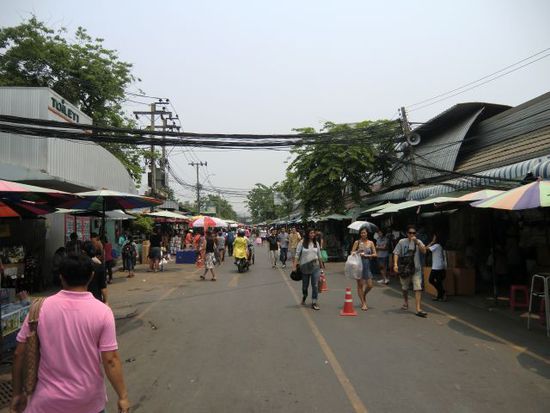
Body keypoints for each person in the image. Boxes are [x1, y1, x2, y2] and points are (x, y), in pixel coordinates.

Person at [10, 254, 130, 413]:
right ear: (91, 276)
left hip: (47, 402)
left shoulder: (38, 309)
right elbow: (111, 360)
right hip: (88, 402)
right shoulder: (103, 312)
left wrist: (17, 393)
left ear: (61, 277)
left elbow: (19, 353)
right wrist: (122, 396)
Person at [393, 225, 428, 318]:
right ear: (407, 233)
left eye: (414, 233)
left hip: (416, 268)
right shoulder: (402, 242)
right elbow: (396, 253)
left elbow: (424, 251)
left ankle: (418, 309)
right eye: (410, 233)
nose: (412, 234)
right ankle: (405, 301)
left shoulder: (418, 241)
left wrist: (417, 242)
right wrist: (395, 264)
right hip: (405, 269)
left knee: (418, 288)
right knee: (405, 288)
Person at [294, 228, 325, 310]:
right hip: (304, 267)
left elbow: (319, 256)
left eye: (313, 233)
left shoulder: (316, 243)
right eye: (311, 233)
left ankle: (314, 302)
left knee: (315, 285)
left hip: (315, 266)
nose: (312, 235)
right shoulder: (302, 243)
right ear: (307, 234)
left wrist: (321, 268)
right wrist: (294, 266)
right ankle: (304, 296)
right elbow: (297, 255)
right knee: (305, 286)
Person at [351, 228, 377, 311]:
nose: (363, 234)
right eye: (361, 233)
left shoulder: (371, 243)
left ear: (367, 234)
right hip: (358, 266)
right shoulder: (357, 242)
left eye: (364, 233)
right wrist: (358, 251)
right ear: (360, 234)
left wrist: (367, 256)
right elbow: (352, 253)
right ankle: (363, 303)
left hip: (367, 266)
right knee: (360, 285)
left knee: (370, 285)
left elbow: (375, 254)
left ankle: (364, 295)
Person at [427, 234, 447, 301]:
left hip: (436, 267)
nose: (433, 238)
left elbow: (426, 249)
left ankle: (442, 292)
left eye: (434, 237)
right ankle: (440, 296)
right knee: (439, 282)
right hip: (441, 266)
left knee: (431, 280)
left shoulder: (436, 246)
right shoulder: (440, 246)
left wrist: (431, 242)